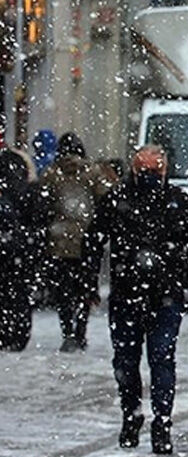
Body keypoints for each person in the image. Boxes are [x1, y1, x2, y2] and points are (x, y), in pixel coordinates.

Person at [84, 146, 188, 454]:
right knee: (129, 360)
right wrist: (87, 284)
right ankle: (133, 415)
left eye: (155, 169)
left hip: (163, 294)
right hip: (130, 294)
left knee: (159, 358)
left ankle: (161, 421)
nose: (150, 175)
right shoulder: (120, 200)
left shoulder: (177, 202)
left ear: (165, 171)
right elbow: (94, 241)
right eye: (145, 169)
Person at [37, 133, 110, 352]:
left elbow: (43, 204)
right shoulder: (93, 172)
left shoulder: (52, 173)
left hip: (58, 241)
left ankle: (67, 331)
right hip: (86, 240)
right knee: (85, 288)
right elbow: (105, 200)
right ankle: (81, 331)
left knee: (63, 291)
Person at [0, 149, 39, 351]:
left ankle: (9, 333)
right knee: (19, 293)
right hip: (21, 250)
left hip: (14, 248)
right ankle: (16, 334)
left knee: (11, 292)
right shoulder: (28, 189)